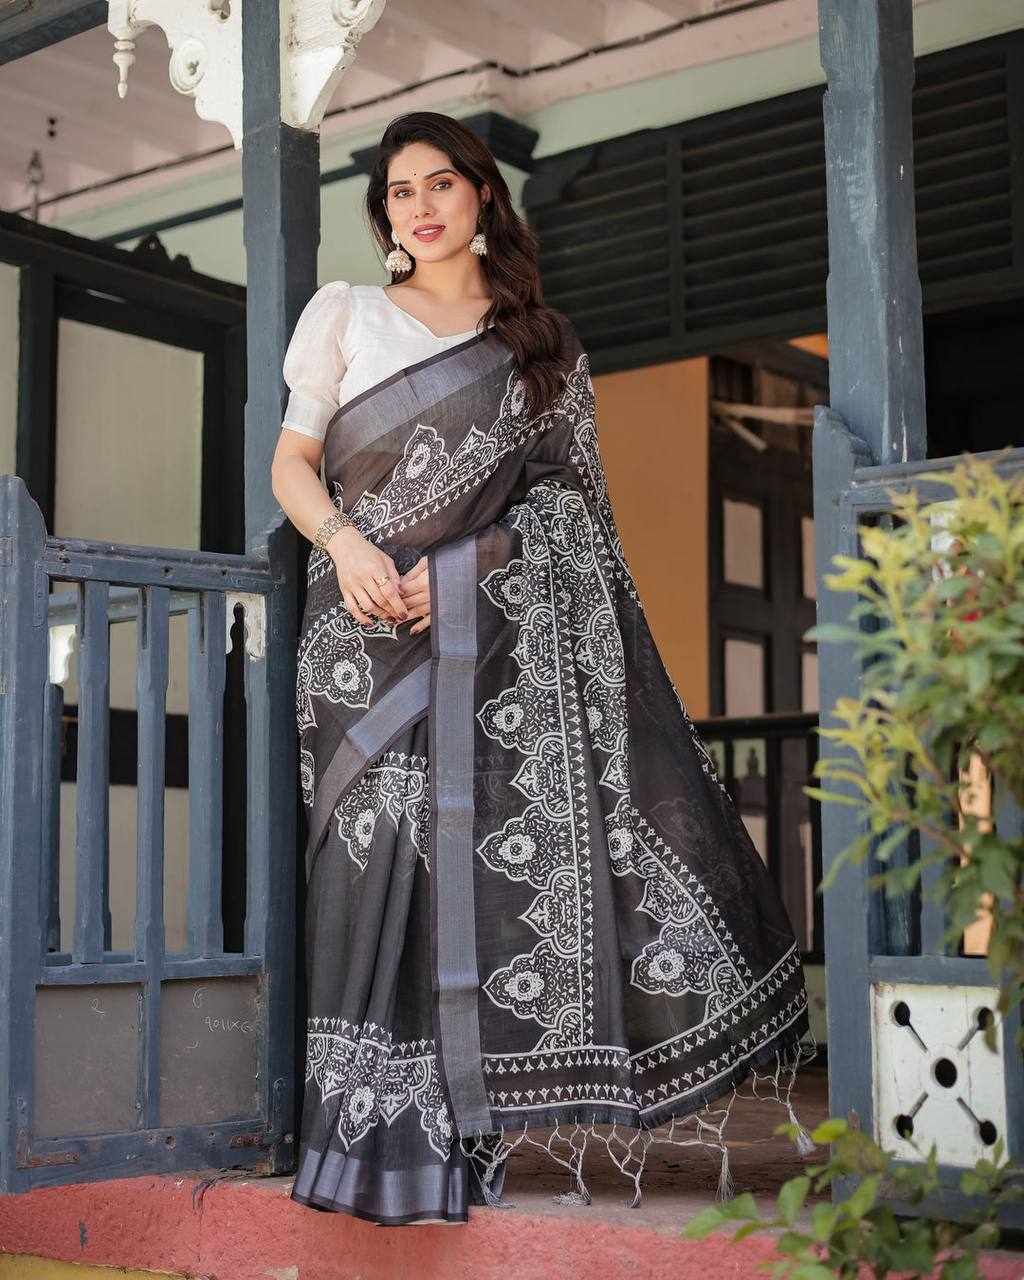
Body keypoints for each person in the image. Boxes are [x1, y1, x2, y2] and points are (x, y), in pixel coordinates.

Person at [270, 110, 815, 1227]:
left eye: (440, 184)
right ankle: (363, 1136)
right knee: (374, 865)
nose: (419, 207)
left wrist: (469, 568)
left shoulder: (542, 347)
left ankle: (454, 1140)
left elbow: (568, 506)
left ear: (482, 195)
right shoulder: (346, 313)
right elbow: (292, 460)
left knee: (460, 872)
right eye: (399, 192)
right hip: (361, 635)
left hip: (480, 634)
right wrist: (347, 544)